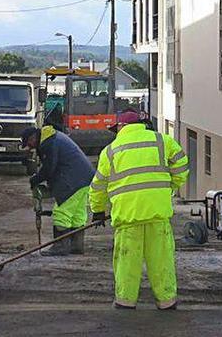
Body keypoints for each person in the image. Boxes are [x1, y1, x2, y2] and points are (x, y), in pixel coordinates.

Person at [89, 110, 190, 310]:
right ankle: (167, 301)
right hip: (157, 213)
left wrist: (98, 210)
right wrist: (169, 187)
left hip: (128, 217)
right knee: (161, 261)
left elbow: (98, 185)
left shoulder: (110, 150)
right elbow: (182, 165)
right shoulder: (162, 141)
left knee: (127, 261)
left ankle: (125, 301)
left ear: (120, 127)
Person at [21, 125, 96, 255]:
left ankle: (60, 246)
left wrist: (35, 180)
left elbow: (50, 167)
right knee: (77, 213)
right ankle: (76, 245)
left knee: (62, 212)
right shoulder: (53, 137)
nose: (30, 147)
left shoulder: (49, 143)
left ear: (33, 137)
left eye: (29, 143)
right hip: (85, 177)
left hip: (73, 180)